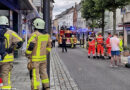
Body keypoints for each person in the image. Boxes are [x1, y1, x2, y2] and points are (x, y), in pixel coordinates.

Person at [25, 18, 51, 90]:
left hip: (35, 60)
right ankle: (47, 87)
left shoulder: (34, 35)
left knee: (35, 76)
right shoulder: (47, 35)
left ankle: (35, 88)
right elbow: (49, 47)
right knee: (44, 74)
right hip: (43, 59)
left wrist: (27, 54)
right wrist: (45, 53)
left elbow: (30, 47)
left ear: (36, 26)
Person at [0, 16, 23, 89]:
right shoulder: (11, 32)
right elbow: (20, 42)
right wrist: (13, 48)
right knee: (5, 76)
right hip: (7, 58)